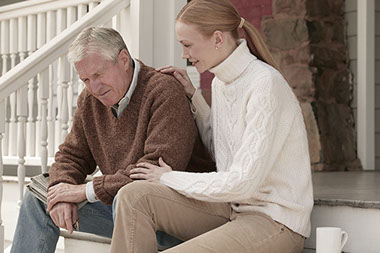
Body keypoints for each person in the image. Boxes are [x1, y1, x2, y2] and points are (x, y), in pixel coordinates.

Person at [110, 0, 314, 252]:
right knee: (134, 196)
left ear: (218, 39)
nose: (184, 55)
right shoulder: (221, 83)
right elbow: (223, 149)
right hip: (231, 207)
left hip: (275, 222)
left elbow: (243, 182)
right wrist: (194, 97)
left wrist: (169, 178)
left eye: (187, 45)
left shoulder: (264, 84)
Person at [10, 26, 216, 253]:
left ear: (124, 60)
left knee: (127, 197)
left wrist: (84, 192)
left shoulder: (164, 90)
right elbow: (72, 154)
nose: (94, 88)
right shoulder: (91, 99)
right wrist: (61, 190)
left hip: (177, 217)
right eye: (85, 79)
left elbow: (154, 170)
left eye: (98, 74)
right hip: (123, 207)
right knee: (40, 196)